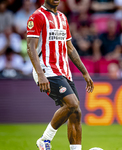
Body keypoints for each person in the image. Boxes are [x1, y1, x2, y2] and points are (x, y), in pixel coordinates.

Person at [26, 0, 94, 150]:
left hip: (64, 71)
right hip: (47, 70)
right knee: (72, 103)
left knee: (75, 112)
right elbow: (30, 47)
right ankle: (44, 139)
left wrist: (84, 72)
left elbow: (70, 48)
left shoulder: (63, 17)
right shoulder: (37, 16)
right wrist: (40, 74)